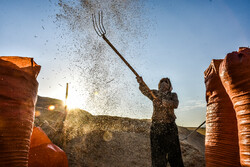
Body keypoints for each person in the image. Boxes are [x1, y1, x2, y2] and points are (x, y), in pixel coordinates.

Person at [136, 76, 184, 167]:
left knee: (174, 155)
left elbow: (175, 104)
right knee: (157, 156)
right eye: (162, 81)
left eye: (166, 82)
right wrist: (141, 83)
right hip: (156, 127)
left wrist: (162, 101)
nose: (164, 83)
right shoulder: (154, 93)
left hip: (170, 127)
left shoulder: (173, 95)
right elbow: (145, 91)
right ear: (159, 85)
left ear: (169, 86)